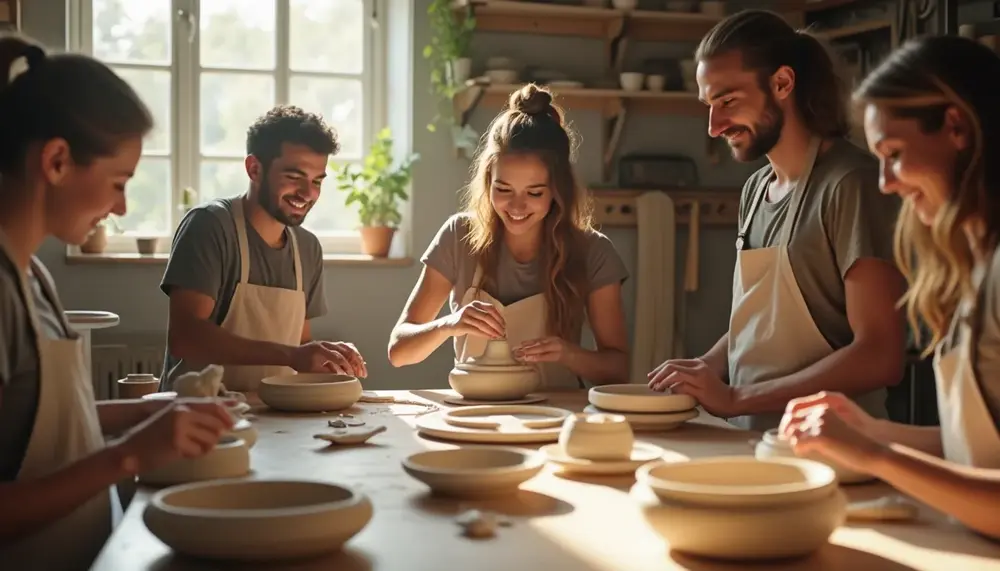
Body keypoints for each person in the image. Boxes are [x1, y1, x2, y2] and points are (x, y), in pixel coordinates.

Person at [0, 35, 234, 570]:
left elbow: (33, 425)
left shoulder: (31, 273)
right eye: (118, 182)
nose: (122, 207)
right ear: (56, 160)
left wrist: (151, 410)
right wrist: (129, 454)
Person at [780, 35, 1000, 541]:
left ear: (956, 127)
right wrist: (871, 430)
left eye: (894, 154)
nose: (884, 182)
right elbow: (980, 449)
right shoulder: (978, 263)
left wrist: (874, 455)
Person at [647, 9, 907, 431]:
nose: (714, 126)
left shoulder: (850, 185)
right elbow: (760, 327)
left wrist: (737, 397)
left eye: (727, 101)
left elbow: (880, 355)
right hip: (754, 439)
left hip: (837, 449)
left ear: (782, 83)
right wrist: (705, 368)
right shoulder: (755, 190)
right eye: (709, 105)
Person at [388, 84, 630, 389]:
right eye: (503, 190)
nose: (516, 207)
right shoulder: (458, 235)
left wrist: (567, 353)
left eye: (534, 192)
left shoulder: (593, 251)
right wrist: (448, 325)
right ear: (487, 181)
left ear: (558, 190)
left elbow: (619, 369)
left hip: (558, 416)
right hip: (477, 412)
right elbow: (398, 352)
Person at [160, 105, 367, 392]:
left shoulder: (307, 248)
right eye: (295, 177)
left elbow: (299, 344)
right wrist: (292, 355)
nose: (308, 194)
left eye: (317, 181)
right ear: (254, 169)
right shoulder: (209, 226)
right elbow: (186, 337)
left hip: (278, 416)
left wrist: (325, 356)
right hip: (200, 416)